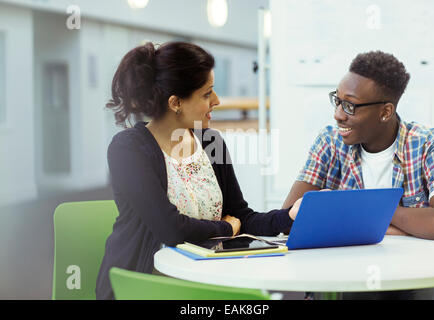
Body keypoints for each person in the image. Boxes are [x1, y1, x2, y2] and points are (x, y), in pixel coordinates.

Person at [95, 41, 301, 300]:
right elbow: (170, 229)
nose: (216, 101)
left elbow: (240, 217)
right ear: (175, 102)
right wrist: (226, 229)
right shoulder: (129, 149)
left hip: (207, 281)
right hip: (148, 287)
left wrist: (289, 216)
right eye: (207, 94)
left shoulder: (210, 142)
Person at [282, 50, 434, 299]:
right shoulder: (329, 141)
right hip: (343, 276)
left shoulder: (430, 144)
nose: (338, 114)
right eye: (336, 100)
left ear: (385, 112)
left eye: (350, 106)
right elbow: (288, 219)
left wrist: (362, 213)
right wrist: (400, 225)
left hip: (411, 281)